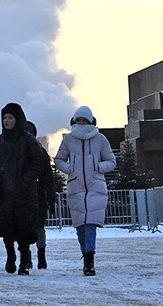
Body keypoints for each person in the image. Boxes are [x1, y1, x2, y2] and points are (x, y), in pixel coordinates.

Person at [54, 105, 116, 276]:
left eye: (84, 120)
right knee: (80, 226)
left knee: (90, 225)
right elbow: (58, 159)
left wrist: (97, 166)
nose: (81, 123)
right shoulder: (68, 140)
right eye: (78, 120)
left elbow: (111, 161)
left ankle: (89, 261)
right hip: (76, 186)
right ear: (74, 121)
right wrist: (70, 168)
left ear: (91, 121)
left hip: (95, 186)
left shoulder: (101, 139)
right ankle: (85, 252)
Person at [0, 103, 47, 276]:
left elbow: (39, 160)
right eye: (4, 117)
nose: (6, 120)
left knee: (24, 228)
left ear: (18, 119)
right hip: (5, 192)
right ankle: (10, 256)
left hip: (24, 192)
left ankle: (24, 261)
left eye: (10, 117)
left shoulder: (29, 140)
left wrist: (27, 177)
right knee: (7, 226)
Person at [26, 121, 56, 269]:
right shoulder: (41, 152)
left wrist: (50, 196)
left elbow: (48, 178)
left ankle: (38, 257)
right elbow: (49, 178)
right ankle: (33, 257)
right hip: (30, 195)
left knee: (36, 227)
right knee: (30, 228)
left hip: (37, 196)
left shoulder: (40, 153)